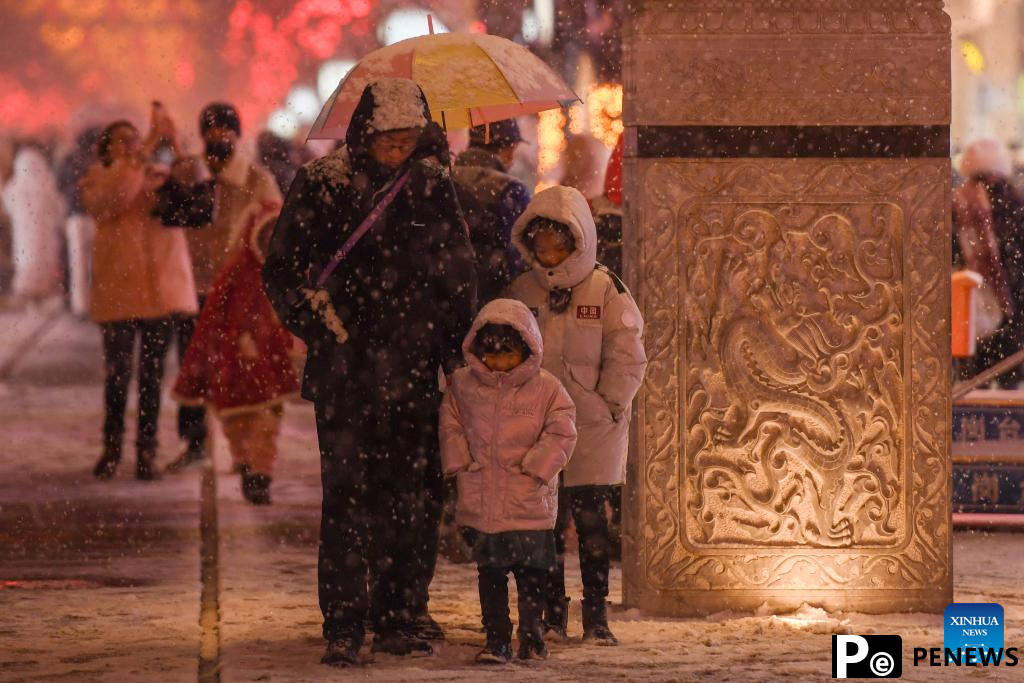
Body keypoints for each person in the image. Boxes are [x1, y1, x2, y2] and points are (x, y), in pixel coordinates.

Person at [262, 78, 477, 666]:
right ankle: (345, 620)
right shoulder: (322, 183)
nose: (397, 145)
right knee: (349, 499)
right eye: (388, 135)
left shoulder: (433, 186)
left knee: (414, 496)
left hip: (412, 370)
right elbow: (281, 270)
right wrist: (318, 318)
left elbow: (459, 273)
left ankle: (402, 613)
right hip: (346, 369)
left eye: (408, 135)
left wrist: (450, 346)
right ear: (365, 131)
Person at [508, 185, 647, 645]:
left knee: (591, 523)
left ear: (579, 240)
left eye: (558, 244)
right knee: (544, 524)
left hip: (592, 428)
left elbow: (627, 354)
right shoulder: (523, 290)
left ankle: (596, 613)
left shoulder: (605, 288)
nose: (548, 254)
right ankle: (551, 609)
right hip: (538, 428)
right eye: (541, 244)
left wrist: (607, 404)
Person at [440, 299, 577, 664]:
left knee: (531, 575)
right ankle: (496, 639)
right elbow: (450, 422)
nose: (499, 363)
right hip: (483, 500)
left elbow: (562, 431)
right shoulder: (463, 387)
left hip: (529, 500)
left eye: (507, 354)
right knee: (491, 575)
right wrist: (461, 462)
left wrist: (537, 467)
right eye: (491, 355)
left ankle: (532, 635)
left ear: (526, 349)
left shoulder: (547, 389)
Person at [165, 102, 283, 473]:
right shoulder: (188, 173)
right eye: (212, 131)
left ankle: (244, 452)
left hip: (237, 290)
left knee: (241, 367)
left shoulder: (255, 177)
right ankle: (195, 439)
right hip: (193, 284)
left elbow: (272, 225)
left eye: (226, 130)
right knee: (193, 363)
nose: (219, 138)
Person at [80, 116, 198, 480]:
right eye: (122, 140)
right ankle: (112, 447)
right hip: (118, 297)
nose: (132, 145)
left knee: (152, 379)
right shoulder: (99, 178)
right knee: (117, 379)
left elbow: (195, 191)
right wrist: (143, 152)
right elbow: (114, 199)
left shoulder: (158, 174)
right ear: (106, 148)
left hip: (158, 295)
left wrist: (175, 143)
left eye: (135, 139)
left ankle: (146, 451)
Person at [173, 204, 299, 504]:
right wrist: (230, 343)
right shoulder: (238, 272)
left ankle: (260, 474)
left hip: (271, 366)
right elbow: (214, 319)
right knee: (237, 423)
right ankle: (246, 463)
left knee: (266, 424)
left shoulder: (286, 272)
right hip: (237, 367)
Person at [954, 138, 1024, 387]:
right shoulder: (1013, 197)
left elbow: (953, 252)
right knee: (1009, 377)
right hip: (1012, 302)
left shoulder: (959, 200)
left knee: (975, 377)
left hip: (973, 301)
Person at [452, 119, 530, 304]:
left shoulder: (444, 178)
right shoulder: (511, 189)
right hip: (496, 301)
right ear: (509, 149)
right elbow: (521, 255)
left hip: (449, 297)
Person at [2, 140, 66, 303]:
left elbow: (8, 204)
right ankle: (44, 293)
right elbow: (59, 208)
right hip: (45, 234)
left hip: (24, 234)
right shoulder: (47, 184)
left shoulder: (16, 186)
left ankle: (28, 292)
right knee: (42, 258)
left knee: (26, 258)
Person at [57, 127, 101, 316]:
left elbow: (59, 184)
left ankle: (81, 306)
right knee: (96, 263)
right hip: (95, 216)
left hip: (75, 216)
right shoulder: (98, 161)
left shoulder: (69, 160)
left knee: (78, 263)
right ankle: (95, 304)